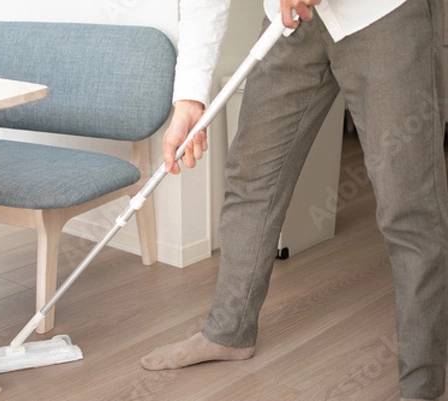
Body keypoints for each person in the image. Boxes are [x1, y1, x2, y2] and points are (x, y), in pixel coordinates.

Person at [140, 0, 448, 400]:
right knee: (251, 175)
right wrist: (189, 100)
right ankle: (228, 332)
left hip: (382, 14)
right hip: (288, 23)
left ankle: (422, 385)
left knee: (409, 206)